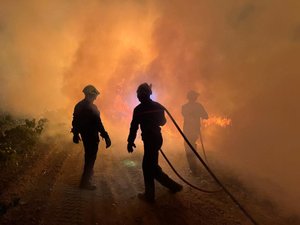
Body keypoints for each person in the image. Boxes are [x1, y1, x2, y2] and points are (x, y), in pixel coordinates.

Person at [127, 83, 182, 203]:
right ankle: (173, 186)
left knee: (148, 167)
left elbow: (134, 127)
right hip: (157, 139)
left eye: (140, 94)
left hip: (150, 140)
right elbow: (162, 122)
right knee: (152, 166)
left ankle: (150, 195)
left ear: (142, 95)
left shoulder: (138, 109)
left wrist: (130, 141)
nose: (139, 96)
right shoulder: (158, 106)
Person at [71, 85, 111, 190]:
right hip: (92, 136)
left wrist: (75, 134)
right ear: (89, 95)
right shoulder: (92, 108)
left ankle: (88, 176)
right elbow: (98, 123)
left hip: (85, 135)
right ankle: (85, 182)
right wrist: (106, 136)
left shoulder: (78, 105)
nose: (95, 98)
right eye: (94, 96)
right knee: (90, 158)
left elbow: (75, 122)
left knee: (89, 156)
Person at [181, 90, 208, 175]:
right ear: (194, 97)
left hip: (188, 130)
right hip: (193, 130)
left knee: (189, 148)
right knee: (191, 147)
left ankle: (193, 168)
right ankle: (193, 168)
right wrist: (198, 114)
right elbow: (206, 116)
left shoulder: (184, 106)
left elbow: (205, 116)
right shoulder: (198, 106)